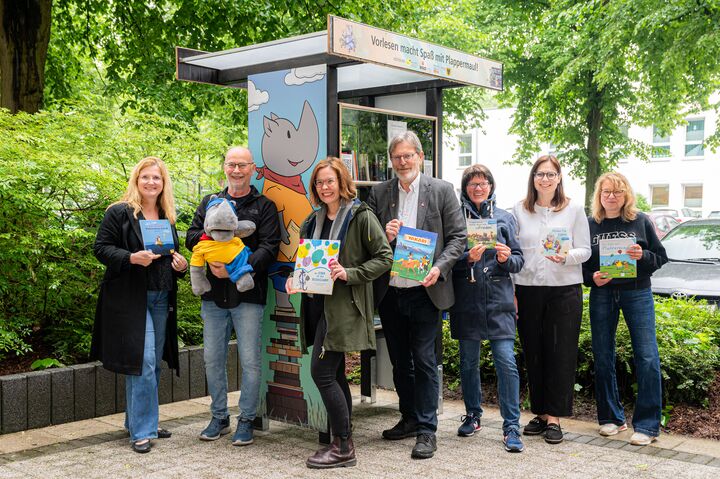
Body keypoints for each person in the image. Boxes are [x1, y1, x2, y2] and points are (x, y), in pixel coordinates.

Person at [285, 157, 393, 469]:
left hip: (344, 307)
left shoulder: (360, 216)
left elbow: (384, 257)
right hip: (317, 305)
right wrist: (295, 279)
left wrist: (350, 273)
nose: (325, 187)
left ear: (342, 182)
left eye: (330, 181)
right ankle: (342, 436)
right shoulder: (312, 220)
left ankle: (343, 446)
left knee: (321, 372)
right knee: (334, 373)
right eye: (319, 182)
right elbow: (304, 261)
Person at [367, 131, 466, 459]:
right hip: (392, 291)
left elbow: (457, 238)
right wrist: (384, 232)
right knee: (399, 362)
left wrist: (440, 267)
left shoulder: (441, 190)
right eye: (397, 157)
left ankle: (427, 430)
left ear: (420, 157)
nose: (402, 162)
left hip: (426, 290)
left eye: (408, 156)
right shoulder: (380, 193)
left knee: (424, 360)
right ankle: (408, 417)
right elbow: (366, 239)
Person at [92, 156, 189, 453]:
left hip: (161, 297)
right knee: (143, 362)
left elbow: (171, 256)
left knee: (153, 363)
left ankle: (139, 419)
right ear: (136, 180)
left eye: (156, 178)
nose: (151, 182)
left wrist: (181, 266)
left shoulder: (166, 215)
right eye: (146, 177)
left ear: (163, 184)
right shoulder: (119, 213)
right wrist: (131, 257)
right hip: (131, 299)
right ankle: (143, 431)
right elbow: (101, 248)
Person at [186, 147, 280, 446]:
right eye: (231, 164)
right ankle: (219, 417)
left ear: (253, 169)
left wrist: (239, 268)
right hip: (213, 295)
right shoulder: (210, 202)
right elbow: (190, 236)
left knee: (250, 362)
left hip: (248, 296)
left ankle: (247, 420)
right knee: (212, 359)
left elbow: (270, 246)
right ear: (224, 168)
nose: (236, 170)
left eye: (242, 165)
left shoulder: (264, 206)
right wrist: (212, 257)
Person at [583, 172, 667, 446]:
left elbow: (660, 257)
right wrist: (591, 277)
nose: (611, 196)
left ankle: (647, 426)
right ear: (599, 195)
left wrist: (642, 256)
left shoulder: (640, 221)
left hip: (637, 293)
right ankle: (611, 418)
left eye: (616, 192)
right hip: (602, 295)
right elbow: (583, 266)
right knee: (603, 355)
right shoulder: (590, 224)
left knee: (647, 356)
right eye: (606, 192)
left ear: (626, 195)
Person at [511, 155, 591, 444]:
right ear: (533, 178)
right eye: (540, 174)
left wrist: (566, 256)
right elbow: (513, 253)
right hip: (528, 288)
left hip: (564, 288)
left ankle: (555, 418)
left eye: (550, 174)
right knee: (533, 351)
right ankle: (541, 413)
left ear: (559, 178)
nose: (545, 179)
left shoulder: (574, 210)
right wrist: (512, 292)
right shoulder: (519, 210)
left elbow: (585, 250)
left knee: (561, 352)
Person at [449, 164, 525, 452]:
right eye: (472, 184)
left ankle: (511, 426)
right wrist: (466, 258)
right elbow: (446, 261)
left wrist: (506, 258)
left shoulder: (504, 218)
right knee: (468, 362)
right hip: (467, 301)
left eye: (483, 183)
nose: (478, 188)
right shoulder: (455, 218)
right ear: (465, 188)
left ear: (491, 187)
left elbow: (519, 261)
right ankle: (472, 415)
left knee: (506, 362)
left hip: (498, 301)